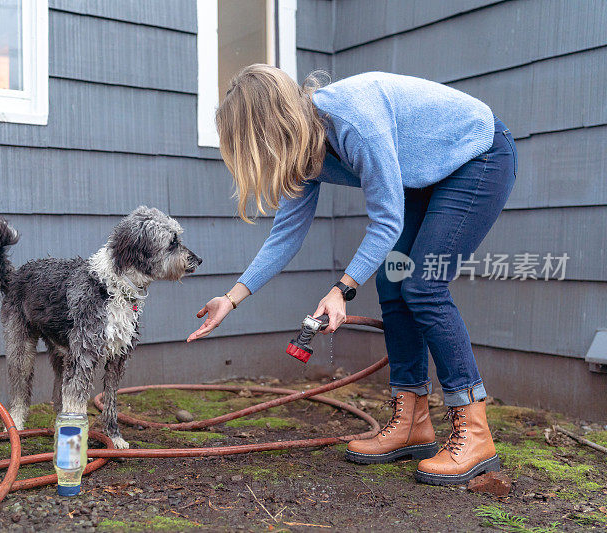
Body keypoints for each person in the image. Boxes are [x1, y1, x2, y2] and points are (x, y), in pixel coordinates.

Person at [186, 65, 516, 485]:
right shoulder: (302, 148)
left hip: (478, 154)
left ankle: (474, 433)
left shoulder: (353, 121)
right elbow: (285, 235)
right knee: (392, 283)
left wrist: (342, 288)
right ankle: (412, 421)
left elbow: (386, 220)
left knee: (423, 285)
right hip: (427, 173)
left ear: (272, 128)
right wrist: (230, 299)